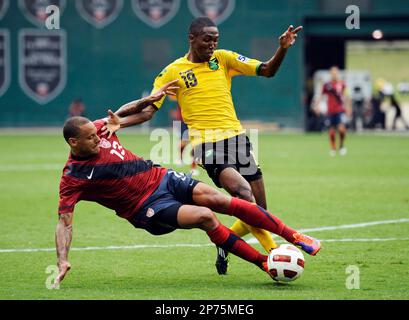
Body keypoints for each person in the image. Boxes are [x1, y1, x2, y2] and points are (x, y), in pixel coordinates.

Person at [109, 17, 303, 275]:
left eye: (215, 39)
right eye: (207, 39)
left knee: (259, 211)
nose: (212, 44)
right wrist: (117, 123)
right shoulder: (172, 71)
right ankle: (274, 254)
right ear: (192, 38)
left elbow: (267, 70)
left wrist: (283, 48)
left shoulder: (223, 59)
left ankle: (225, 244)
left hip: (236, 139)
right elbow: (147, 112)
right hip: (204, 143)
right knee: (243, 193)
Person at [54, 110, 321, 288]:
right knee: (206, 216)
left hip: (162, 177)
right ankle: (263, 263)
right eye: (90, 138)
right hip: (147, 208)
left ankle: (294, 236)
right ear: (73, 143)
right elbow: (64, 223)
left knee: (219, 199)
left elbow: (126, 112)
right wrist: (62, 258)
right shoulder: (73, 178)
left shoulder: (98, 129)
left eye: (95, 133)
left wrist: (150, 99)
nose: (97, 139)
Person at [315, 66, 351, 156]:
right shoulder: (327, 85)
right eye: (332, 73)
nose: (334, 75)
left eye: (336, 73)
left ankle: (342, 146)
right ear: (330, 74)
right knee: (331, 131)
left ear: (338, 74)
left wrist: (348, 108)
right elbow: (320, 95)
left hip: (340, 110)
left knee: (342, 129)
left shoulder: (342, 84)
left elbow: (346, 97)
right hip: (330, 111)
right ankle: (333, 148)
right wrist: (317, 106)